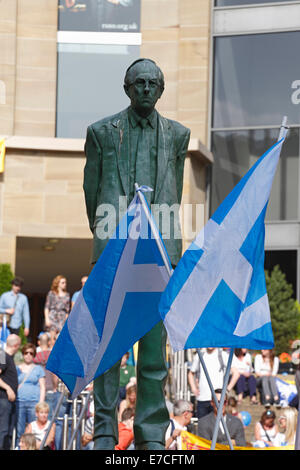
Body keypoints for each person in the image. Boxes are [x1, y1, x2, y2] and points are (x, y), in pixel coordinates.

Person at [83, 58, 190, 450]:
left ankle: (149, 435)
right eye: (139, 83)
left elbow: (173, 195)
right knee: (108, 350)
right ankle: (106, 433)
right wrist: (110, 236)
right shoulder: (101, 133)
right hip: (114, 251)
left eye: (152, 83)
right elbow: (92, 193)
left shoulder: (179, 135)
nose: (146, 89)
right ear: (127, 89)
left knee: (153, 356)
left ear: (161, 90)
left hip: (159, 254)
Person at [188, 348, 239, 420]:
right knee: (203, 427)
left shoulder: (222, 354)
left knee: (218, 427)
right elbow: (190, 373)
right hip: (202, 399)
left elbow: (236, 373)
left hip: (218, 400)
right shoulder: (200, 355)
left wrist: (227, 390)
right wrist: (193, 388)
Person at [16, 343, 46, 443]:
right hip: (19, 402)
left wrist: (40, 403)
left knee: (32, 430)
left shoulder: (38, 369)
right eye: (26, 353)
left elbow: (42, 386)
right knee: (19, 430)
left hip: (34, 402)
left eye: (31, 353)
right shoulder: (17, 369)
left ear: (34, 355)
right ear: (23, 354)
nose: (28, 355)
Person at [33, 333, 58, 419]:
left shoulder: (34, 357)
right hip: (50, 388)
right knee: (48, 416)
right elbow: (54, 374)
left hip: (37, 389)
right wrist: (55, 387)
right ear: (49, 342)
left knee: (36, 416)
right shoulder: (52, 355)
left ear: (39, 342)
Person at [0, 338, 19, 450]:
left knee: (7, 431)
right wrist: (8, 388)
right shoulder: (2, 354)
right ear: (16, 345)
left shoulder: (8, 357)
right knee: (3, 430)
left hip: (9, 401)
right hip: (3, 399)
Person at [44, 275, 70, 345]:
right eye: (63, 282)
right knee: (52, 338)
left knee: (60, 338)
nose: (65, 284)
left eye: (65, 282)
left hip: (62, 317)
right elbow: (47, 307)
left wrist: (66, 321)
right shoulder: (51, 293)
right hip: (53, 316)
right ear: (58, 283)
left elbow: (67, 310)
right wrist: (47, 319)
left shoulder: (67, 295)